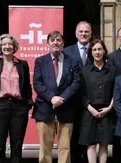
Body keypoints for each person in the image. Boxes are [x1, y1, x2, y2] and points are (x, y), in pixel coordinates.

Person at [0, 34, 34, 163]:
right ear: (0, 47)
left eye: (9, 44)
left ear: (14, 47)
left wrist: (27, 104)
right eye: (4, 44)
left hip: (19, 108)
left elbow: (27, 87)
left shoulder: (22, 64)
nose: (7, 47)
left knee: (17, 146)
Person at [33, 30, 81, 163]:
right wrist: (52, 98)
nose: (56, 42)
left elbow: (76, 83)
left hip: (66, 109)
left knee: (65, 148)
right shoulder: (40, 61)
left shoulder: (73, 61)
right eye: (52, 40)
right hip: (44, 109)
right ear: (47, 43)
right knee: (45, 149)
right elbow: (37, 83)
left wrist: (62, 98)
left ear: (63, 43)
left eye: (58, 40)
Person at [78, 39, 116, 163]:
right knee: (91, 144)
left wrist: (109, 108)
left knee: (104, 144)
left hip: (107, 112)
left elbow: (117, 92)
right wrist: (90, 109)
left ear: (104, 51)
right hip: (89, 112)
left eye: (100, 49)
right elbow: (81, 93)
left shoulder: (112, 70)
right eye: (94, 50)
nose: (97, 52)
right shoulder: (84, 71)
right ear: (91, 52)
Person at [63, 21, 92, 163]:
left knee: (89, 138)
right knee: (72, 137)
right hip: (72, 101)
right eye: (81, 31)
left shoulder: (97, 50)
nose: (83, 34)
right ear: (76, 34)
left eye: (86, 31)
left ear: (90, 33)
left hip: (91, 101)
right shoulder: (67, 51)